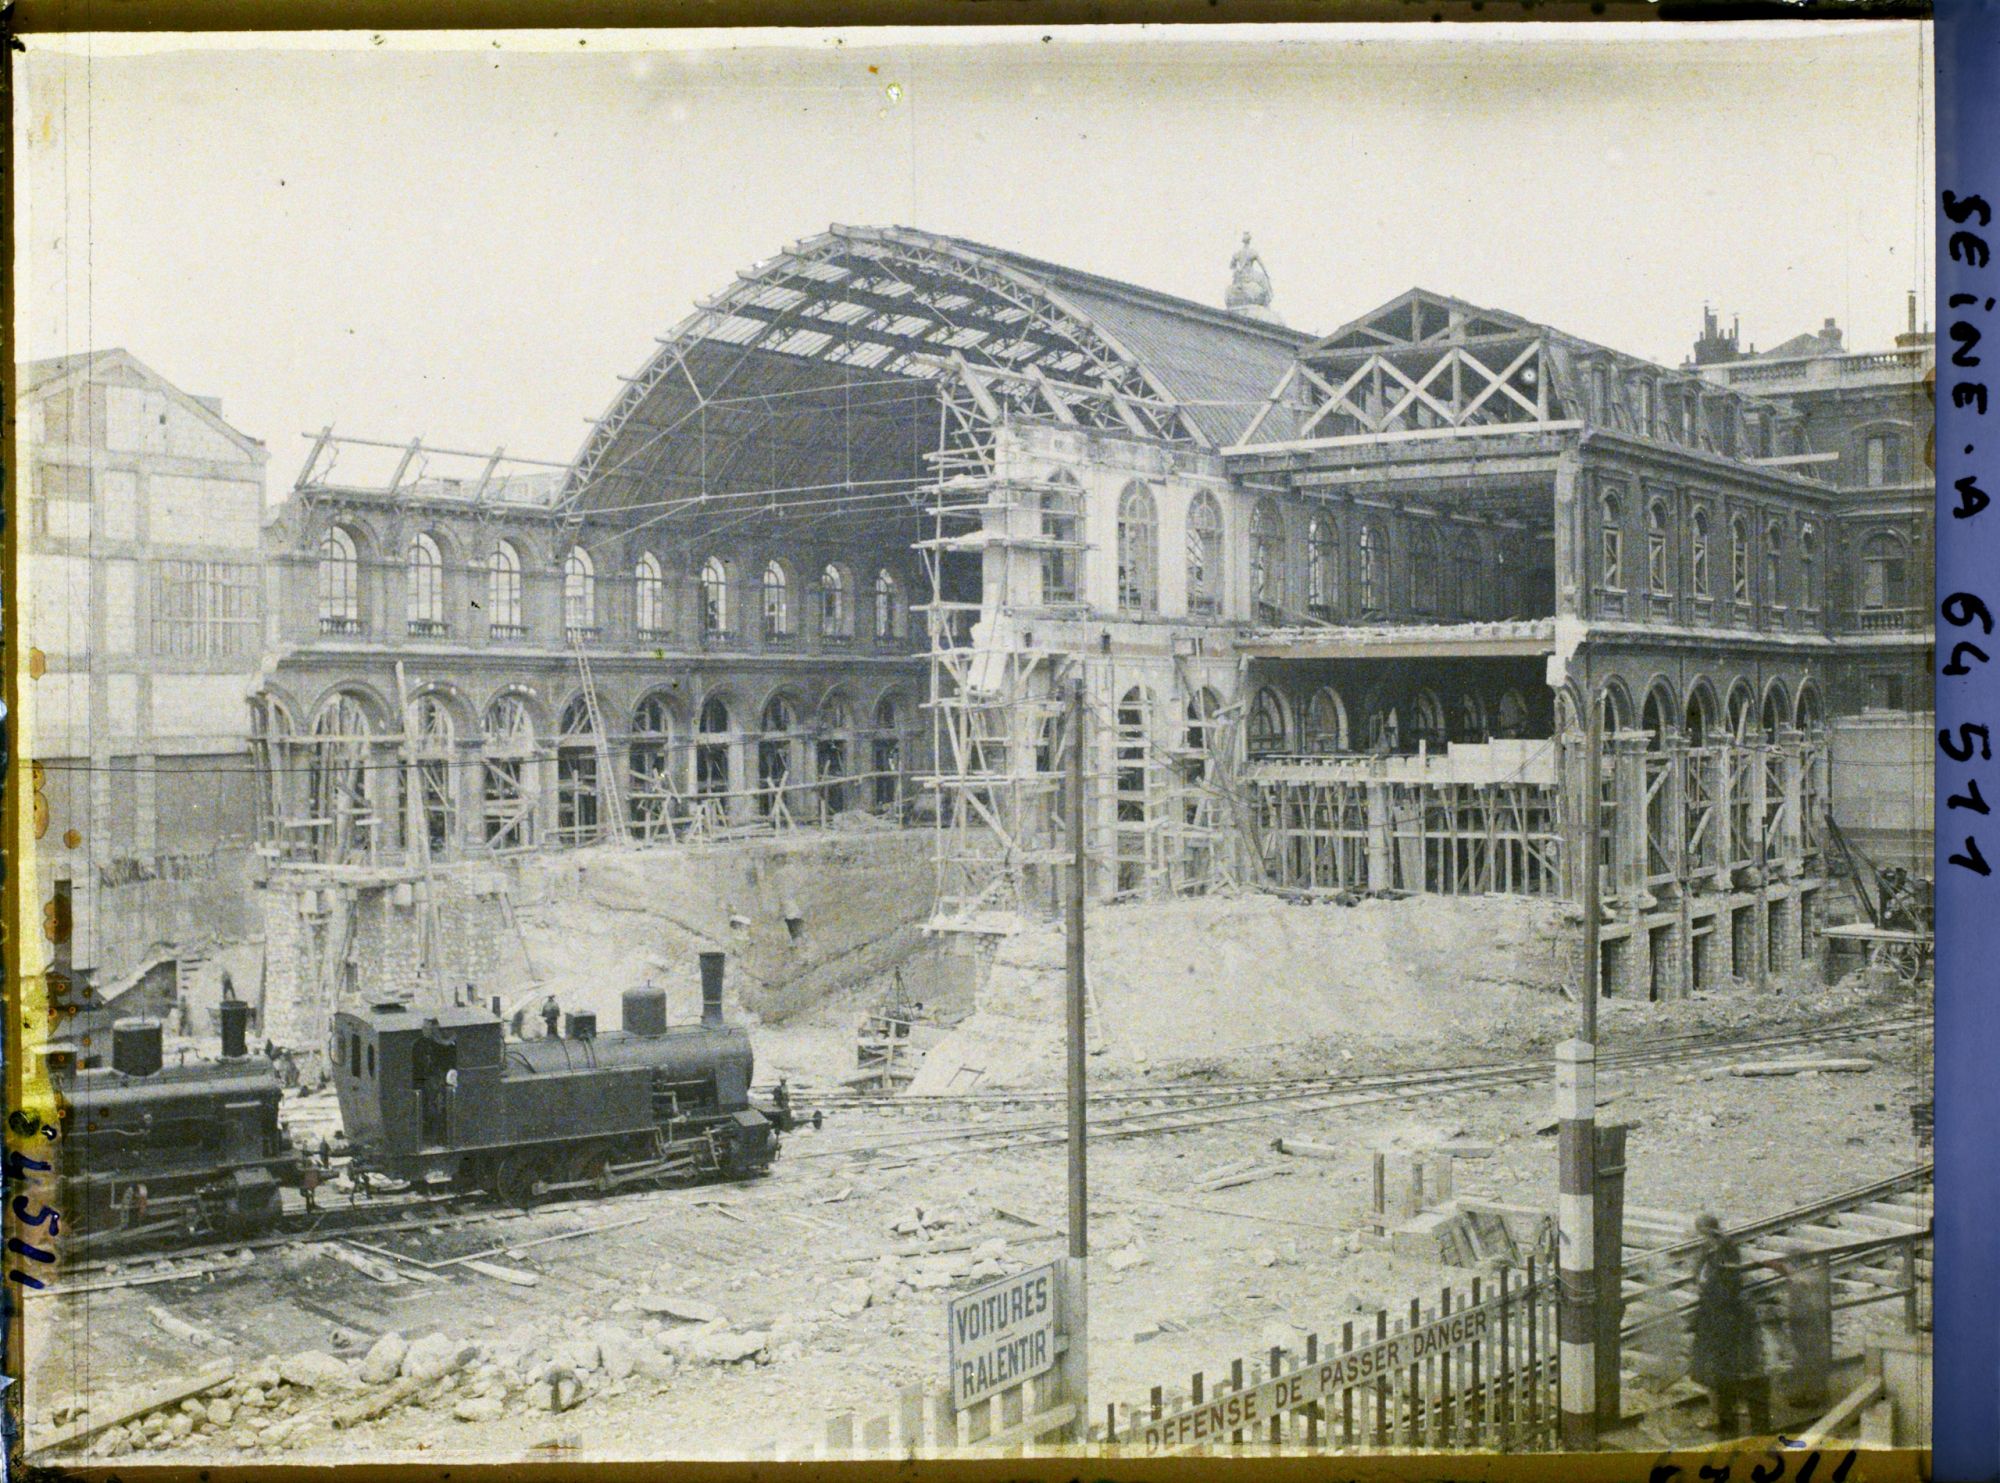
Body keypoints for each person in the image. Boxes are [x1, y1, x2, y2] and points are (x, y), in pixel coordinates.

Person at [1689, 1213, 1770, 1437]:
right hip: (1711, 1318)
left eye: (1704, 1235)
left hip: (1723, 1320)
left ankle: (1727, 1418)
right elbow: (1701, 1278)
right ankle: (1721, 1414)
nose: (1702, 1239)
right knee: (1711, 1370)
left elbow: (1727, 1288)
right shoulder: (1709, 1252)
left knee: (1724, 1369)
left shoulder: (1725, 1252)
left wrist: (1708, 1292)